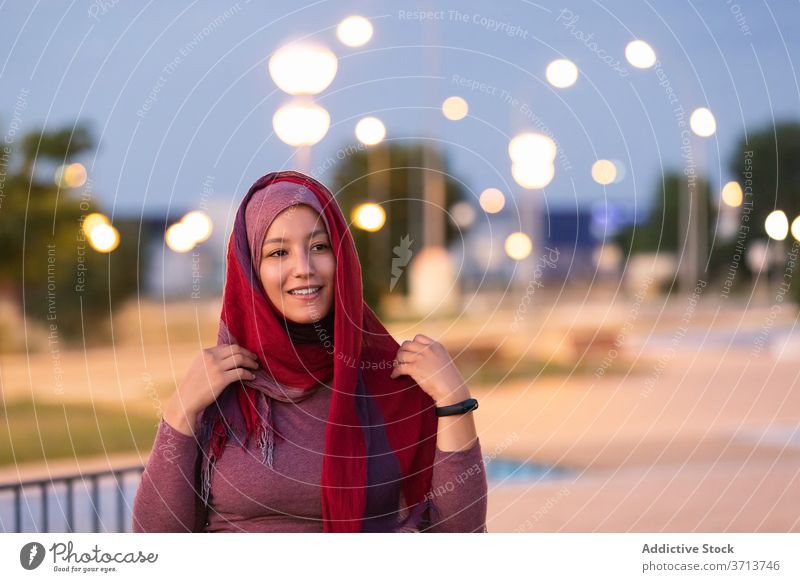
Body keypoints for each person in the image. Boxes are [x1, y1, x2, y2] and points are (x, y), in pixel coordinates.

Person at [131, 170, 487, 533]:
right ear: (250, 269)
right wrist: (180, 411)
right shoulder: (217, 389)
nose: (303, 269)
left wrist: (454, 400)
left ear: (342, 259)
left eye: (319, 247)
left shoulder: (390, 380)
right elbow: (155, 542)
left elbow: (461, 542)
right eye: (278, 252)